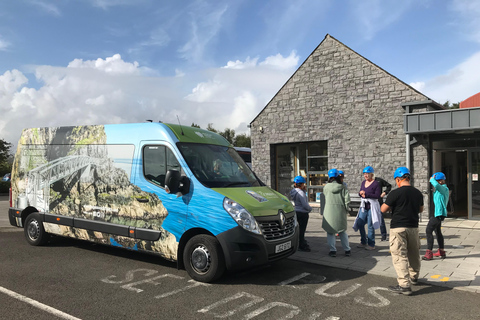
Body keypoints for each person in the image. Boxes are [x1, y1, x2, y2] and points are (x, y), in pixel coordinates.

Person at [381, 167, 424, 296]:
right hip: (413, 227)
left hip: (398, 227)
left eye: (396, 180)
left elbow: (383, 209)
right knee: (413, 253)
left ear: (398, 179)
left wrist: (393, 206)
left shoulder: (395, 193)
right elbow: (421, 209)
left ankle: (404, 285)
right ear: (409, 178)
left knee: (400, 255)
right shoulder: (417, 193)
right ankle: (414, 277)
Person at [321, 169, 351, 257]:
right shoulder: (342, 187)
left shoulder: (326, 187)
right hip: (340, 210)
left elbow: (325, 195)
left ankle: (332, 250)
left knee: (330, 232)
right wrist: (346, 209)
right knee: (342, 231)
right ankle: (347, 250)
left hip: (329, 211)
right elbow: (347, 200)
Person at [354, 166, 382, 250]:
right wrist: (361, 194)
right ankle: (363, 241)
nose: (366, 175)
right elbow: (361, 193)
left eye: (367, 174)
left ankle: (371, 244)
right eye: (364, 174)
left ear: (372, 174)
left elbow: (377, 195)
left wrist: (366, 194)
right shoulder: (363, 183)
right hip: (364, 206)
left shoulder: (376, 183)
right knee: (360, 223)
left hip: (371, 207)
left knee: (370, 225)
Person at [423, 172, 449, 260]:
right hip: (437, 213)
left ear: (442, 181)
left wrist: (432, 180)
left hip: (439, 214)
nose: (437, 183)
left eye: (438, 181)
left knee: (428, 230)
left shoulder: (444, 189)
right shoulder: (440, 189)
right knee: (438, 232)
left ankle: (429, 253)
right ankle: (441, 251)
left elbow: (437, 186)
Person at [290, 175, 312, 252]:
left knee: (298, 229)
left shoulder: (293, 192)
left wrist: (304, 191)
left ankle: (299, 242)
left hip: (297, 211)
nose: (304, 185)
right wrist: (310, 209)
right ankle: (301, 244)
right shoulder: (301, 193)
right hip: (303, 213)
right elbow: (305, 204)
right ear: (301, 184)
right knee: (302, 230)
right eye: (304, 184)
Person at [375, 176, 392, 241]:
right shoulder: (367, 181)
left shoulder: (379, 180)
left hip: (379, 202)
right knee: (370, 220)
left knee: (381, 219)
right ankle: (370, 235)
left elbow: (389, 186)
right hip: (371, 202)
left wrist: (385, 192)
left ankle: (384, 235)